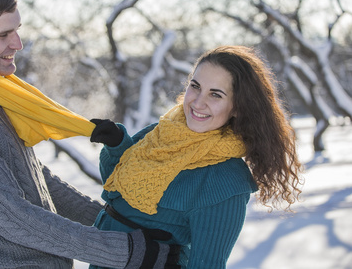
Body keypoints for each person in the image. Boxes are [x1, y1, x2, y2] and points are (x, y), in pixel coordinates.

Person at [0, 0, 180, 269]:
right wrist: (127, 251)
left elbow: (36, 181)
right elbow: (14, 218)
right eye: (3, 35)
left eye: (16, 30)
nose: (17, 43)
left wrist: (116, 224)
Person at [89, 45, 304, 268]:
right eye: (195, 86)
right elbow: (115, 190)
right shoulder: (162, 132)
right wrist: (116, 146)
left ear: (238, 108)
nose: (198, 102)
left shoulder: (225, 180)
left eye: (215, 94)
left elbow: (206, 264)